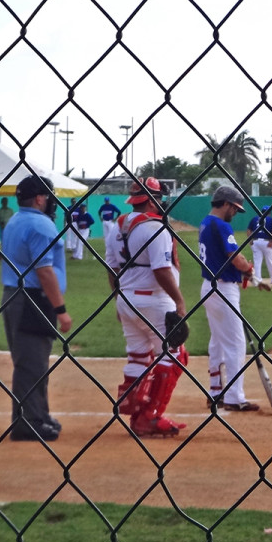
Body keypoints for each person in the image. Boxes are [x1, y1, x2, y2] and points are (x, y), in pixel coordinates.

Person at [104, 177, 188, 437]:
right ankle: (149, 416)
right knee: (175, 355)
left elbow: (112, 269)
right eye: (159, 198)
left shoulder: (117, 228)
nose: (162, 203)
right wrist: (179, 301)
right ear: (151, 200)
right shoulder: (156, 228)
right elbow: (161, 270)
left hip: (127, 298)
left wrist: (119, 299)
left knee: (139, 356)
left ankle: (137, 411)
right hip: (154, 299)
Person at [0, 175, 71, 442]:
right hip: (32, 299)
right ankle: (27, 422)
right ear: (40, 198)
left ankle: (38, 414)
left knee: (35, 361)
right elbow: (45, 271)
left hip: (17, 296)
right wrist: (61, 309)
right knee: (31, 363)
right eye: (49, 197)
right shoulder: (41, 225)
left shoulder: (15, 220)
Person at [198, 185, 260, 412]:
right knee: (235, 343)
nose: (235, 212)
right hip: (223, 289)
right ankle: (234, 397)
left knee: (217, 342)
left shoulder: (205, 222)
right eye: (234, 208)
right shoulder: (221, 226)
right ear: (224, 203)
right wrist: (250, 272)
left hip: (210, 287)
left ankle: (216, 392)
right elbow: (235, 256)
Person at [246, 205, 272, 284]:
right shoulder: (271, 220)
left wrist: (250, 240)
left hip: (255, 242)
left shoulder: (254, 219)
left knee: (257, 261)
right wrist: (271, 242)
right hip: (266, 242)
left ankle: (258, 279)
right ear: (269, 212)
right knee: (270, 261)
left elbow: (248, 230)